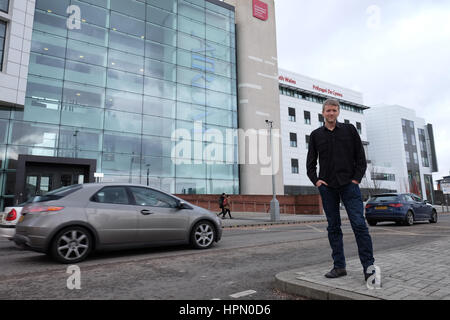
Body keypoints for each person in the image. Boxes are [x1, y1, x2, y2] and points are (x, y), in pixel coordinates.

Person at [306, 98, 376, 282]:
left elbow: (360, 158)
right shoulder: (315, 135)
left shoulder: (349, 130)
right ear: (323, 113)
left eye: (334, 110)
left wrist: (355, 180)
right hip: (328, 188)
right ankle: (339, 267)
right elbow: (310, 164)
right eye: (328, 110)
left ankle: (369, 269)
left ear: (338, 112)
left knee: (359, 225)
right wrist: (317, 181)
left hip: (349, 186)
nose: (331, 113)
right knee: (333, 228)